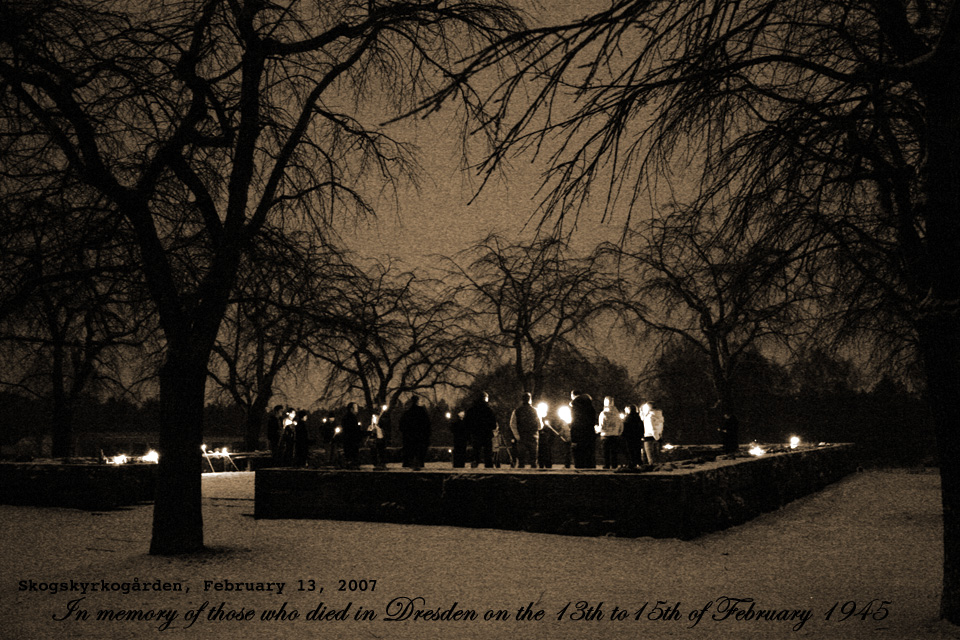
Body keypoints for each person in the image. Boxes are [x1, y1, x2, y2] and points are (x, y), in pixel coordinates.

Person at [465, 391, 498, 468]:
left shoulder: (471, 410)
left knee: (476, 453)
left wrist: (470, 433)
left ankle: (474, 467)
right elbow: (493, 424)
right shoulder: (489, 410)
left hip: (476, 434)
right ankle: (489, 470)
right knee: (488, 455)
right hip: (487, 435)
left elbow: (467, 423)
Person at [508, 392, 541, 468]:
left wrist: (517, 435)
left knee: (521, 458)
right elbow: (539, 425)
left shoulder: (517, 411)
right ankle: (534, 472)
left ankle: (521, 471)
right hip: (533, 436)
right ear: (530, 400)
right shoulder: (535, 411)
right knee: (533, 458)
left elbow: (512, 424)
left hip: (522, 436)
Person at [399, 396, 431, 470]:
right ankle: (419, 464)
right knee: (419, 453)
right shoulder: (422, 413)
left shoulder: (407, 413)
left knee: (409, 452)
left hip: (409, 437)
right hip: (420, 437)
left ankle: (408, 464)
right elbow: (427, 425)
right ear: (417, 402)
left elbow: (402, 426)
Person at [569, 390, 598, 468]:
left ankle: (580, 470)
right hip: (589, 433)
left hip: (579, 433)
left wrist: (573, 438)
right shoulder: (590, 406)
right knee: (589, 454)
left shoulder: (575, 406)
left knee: (579, 455)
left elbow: (574, 422)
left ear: (573, 396)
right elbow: (593, 420)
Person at [599, 396, 624, 469]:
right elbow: (621, 425)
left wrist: (598, 429)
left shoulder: (603, 413)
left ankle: (607, 465)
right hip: (615, 435)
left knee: (606, 451)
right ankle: (614, 464)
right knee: (614, 451)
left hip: (605, 435)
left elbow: (602, 425)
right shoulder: (617, 413)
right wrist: (619, 432)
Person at [341, 402, 362, 469]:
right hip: (351, 441)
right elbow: (353, 431)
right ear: (351, 409)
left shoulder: (349, 417)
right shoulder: (351, 418)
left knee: (351, 457)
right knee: (352, 457)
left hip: (349, 441)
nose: (357, 409)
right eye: (356, 408)